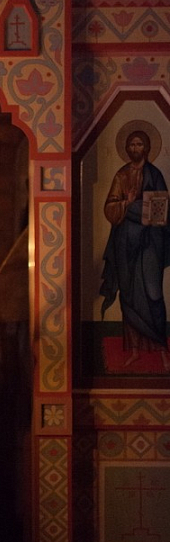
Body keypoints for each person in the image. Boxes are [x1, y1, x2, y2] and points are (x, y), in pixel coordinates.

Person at [100, 129, 170, 371]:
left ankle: (162, 350)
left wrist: (143, 210)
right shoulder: (121, 175)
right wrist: (128, 203)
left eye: (139, 144)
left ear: (147, 148)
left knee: (153, 294)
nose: (135, 148)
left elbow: (162, 208)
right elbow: (109, 209)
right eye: (131, 144)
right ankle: (135, 351)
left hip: (150, 243)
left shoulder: (155, 174)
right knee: (128, 295)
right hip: (125, 244)